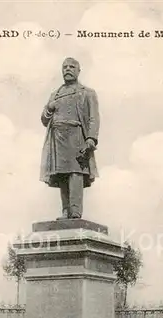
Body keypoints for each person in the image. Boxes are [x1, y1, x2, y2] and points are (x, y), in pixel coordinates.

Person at [40, 57, 100, 219]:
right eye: (65, 67)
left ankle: (75, 211)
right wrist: (49, 108)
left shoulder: (87, 93)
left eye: (72, 67)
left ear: (78, 71)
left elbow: (94, 117)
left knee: (75, 172)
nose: (67, 69)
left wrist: (91, 138)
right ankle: (65, 210)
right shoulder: (55, 95)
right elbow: (45, 120)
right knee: (62, 173)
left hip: (76, 136)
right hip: (58, 139)